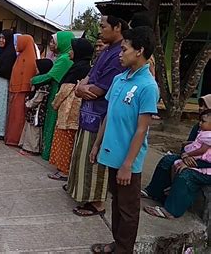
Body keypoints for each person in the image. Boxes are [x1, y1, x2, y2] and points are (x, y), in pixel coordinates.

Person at [90, 26, 158, 254]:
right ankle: (117, 243)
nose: (120, 53)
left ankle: (124, 249)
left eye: (124, 49)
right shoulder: (120, 79)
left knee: (128, 210)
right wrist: (97, 144)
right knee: (117, 206)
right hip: (111, 154)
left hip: (129, 161)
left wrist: (128, 165)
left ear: (139, 51)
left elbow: (141, 130)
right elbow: (109, 114)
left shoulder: (148, 86)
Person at [67, 15, 128, 217]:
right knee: (84, 155)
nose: (100, 31)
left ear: (117, 26)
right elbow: (90, 77)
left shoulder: (119, 53)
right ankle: (82, 192)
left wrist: (81, 88)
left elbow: (100, 89)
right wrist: (81, 88)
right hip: (89, 111)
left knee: (94, 159)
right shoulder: (107, 50)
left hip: (101, 115)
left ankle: (97, 203)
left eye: (103, 26)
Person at [142, 95, 211, 220]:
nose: (201, 108)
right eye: (201, 105)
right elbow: (189, 145)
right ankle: (154, 192)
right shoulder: (200, 126)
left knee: (186, 176)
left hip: (206, 166)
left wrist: (193, 163)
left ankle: (171, 210)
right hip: (192, 158)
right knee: (167, 160)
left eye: (205, 106)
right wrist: (185, 157)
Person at [48, 38, 93, 180]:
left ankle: (64, 170)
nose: (70, 53)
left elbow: (64, 90)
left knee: (65, 140)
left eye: (73, 50)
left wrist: (55, 103)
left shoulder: (78, 69)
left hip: (68, 111)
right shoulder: (85, 67)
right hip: (75, 111)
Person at [31, 31, 75, 161]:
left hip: (58, 91)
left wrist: (33, 80)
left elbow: (51, 75)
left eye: (54, 42)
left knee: (52, 121)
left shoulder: (64, 59)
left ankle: (48, 152)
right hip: (56, 89)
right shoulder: (61, 56)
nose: (51, 44)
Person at [5, 34, 38, 146]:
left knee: (18, 116)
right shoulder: (21, 56)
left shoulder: (29, 59)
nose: (16, 45)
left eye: (18, 42)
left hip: (22, 91)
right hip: (17, 91)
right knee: (14, 115)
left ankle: (15, 139)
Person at [18, 59, 54, 154]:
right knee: (30, 127)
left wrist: (28, 103)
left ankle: (32, 148)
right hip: (33, 110)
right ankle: (26, 145)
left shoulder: (43, 85)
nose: (36, 69)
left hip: (37, 110)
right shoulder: (39, 81)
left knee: (34, 129)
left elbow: (38, 99)